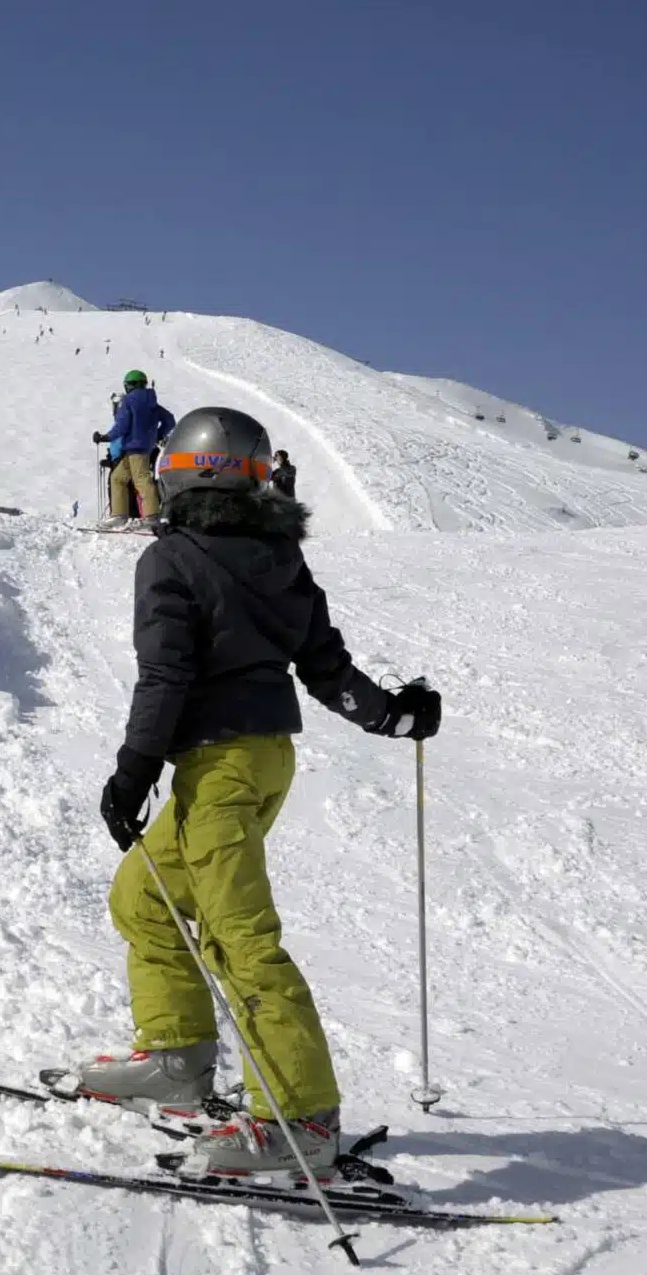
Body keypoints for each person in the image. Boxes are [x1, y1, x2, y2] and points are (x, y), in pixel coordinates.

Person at [64, 407, 441, 1175]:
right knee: (144, 896)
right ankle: (176, 1055)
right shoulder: (278, 557)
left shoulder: (170, 560)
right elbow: (327, 668)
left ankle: (300, 1118)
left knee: (240, 938)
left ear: (185, 475)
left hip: (221, 769)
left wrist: (133, 771)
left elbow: (165, 676)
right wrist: (392, 715)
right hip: (261, 760)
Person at [93, 370, 175, 521]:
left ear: (130, 385)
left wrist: (105, 437)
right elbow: (170, 420)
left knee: (142, 480)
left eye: (127, 384)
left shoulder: (128, 401)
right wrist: (157, 435)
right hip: (141, 448)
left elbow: (122, 426)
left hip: (134, 447)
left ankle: (151, 516)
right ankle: (119, 515)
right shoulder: (152, 403)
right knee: (118, 478)